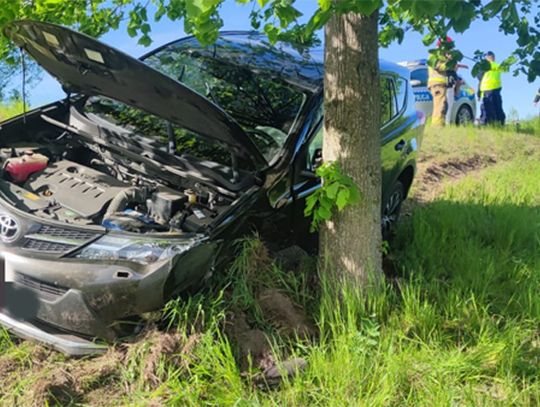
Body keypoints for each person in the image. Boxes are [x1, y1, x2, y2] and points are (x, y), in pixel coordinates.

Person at [428, 37, 466, 126]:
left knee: (443, 106)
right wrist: (450, 63)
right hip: (438, 83)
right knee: (440, 106)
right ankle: (437, 127)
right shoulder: (435, 55)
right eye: (448, 47)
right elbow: (438, 66)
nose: (449, 50)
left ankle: (440, 125)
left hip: (440, 84)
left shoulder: (438, 55)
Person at [479, 51, 506, 125]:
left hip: (486, 89)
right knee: (498, 107)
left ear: (487, 58)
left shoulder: (484, 66)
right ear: (494, 57)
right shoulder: (498, 66)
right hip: (496, 89)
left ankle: (487, 123)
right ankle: (500, 123)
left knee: (487, 108)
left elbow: (479, 77)